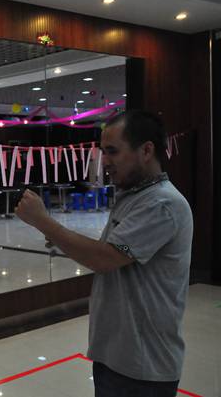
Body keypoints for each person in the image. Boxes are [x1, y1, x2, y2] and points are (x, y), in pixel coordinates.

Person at [15, 110, 192, 397]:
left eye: (113, 151)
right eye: (103, 151)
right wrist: (58, 236)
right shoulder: (133, 197)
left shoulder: (162, 204)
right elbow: (105, 253)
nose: (105, 161)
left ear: (146, 150)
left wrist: (43, 221)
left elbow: (104, 258)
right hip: (116, 357)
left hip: (143, 368)